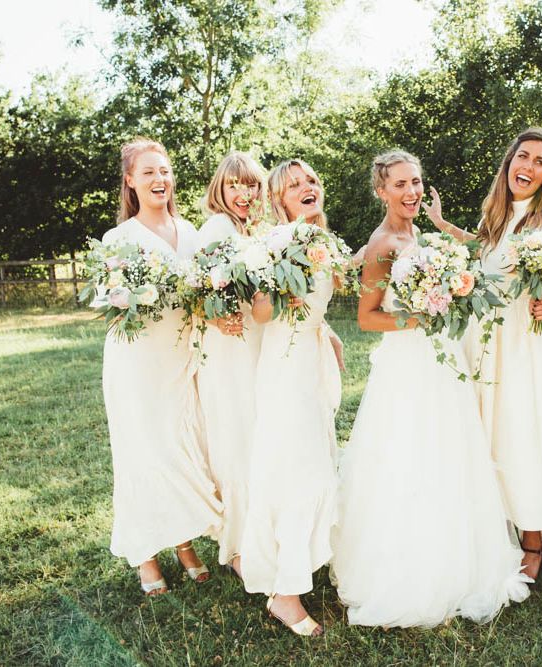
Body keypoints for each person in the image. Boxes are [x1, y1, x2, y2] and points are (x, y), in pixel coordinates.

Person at [331, 150, 530, 628]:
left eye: (416, 182)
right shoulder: (382, 244)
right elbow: (366, 317)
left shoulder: (417, 234)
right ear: (382, 191)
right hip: (407, 364)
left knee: (449, 453)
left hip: (442, 359)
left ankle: (456, 558)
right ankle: (408, 571)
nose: (412, 192)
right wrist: (421, 315)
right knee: (408, 455)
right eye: (400, 185)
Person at [427, 128, 542, 581]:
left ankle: (534, 540)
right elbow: (482, 248)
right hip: (487, 344)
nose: (528, 167)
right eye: (523, 157)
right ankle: (498, 527)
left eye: (539, 162)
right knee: (491, 436)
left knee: (522, 436)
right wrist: (441, 224)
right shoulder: (500, 217)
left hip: (525, 352)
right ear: (509, 162)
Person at [102, 137, 223, 595]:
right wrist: (129, 293)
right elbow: (110, 304)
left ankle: (184, 542)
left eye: (165, 170)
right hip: (136, 364)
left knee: (183, 449)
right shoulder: (119, 239)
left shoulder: (191, 232)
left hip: (183, 358)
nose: (159, 179)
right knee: (142, 454)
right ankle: (145, 555)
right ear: (130, 181)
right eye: (148, 172)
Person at [240, 159, 344, 636]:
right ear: (279, 198)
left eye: (312, 181)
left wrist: (329, 332)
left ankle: (291, 573)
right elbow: (261, 313)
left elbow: (315, 309)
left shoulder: (322, 242)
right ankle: (285, 594)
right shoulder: (271, 245)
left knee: (315, 467)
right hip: (284, 369)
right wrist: (283, 281)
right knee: (300, 473)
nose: (308, 188)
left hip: (311, 363)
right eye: (295, 184)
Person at [195, 152, 266, 578]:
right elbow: (195, 288)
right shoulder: (216, 230)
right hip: (228, 350)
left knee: (256, 439)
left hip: (255, 344)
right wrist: (214, 313)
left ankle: (256, 532)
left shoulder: (253, 230)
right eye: (235, 185)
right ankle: (237, 546)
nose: (244, 193)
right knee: (236, 441)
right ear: (220, 190)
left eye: (252, 185)